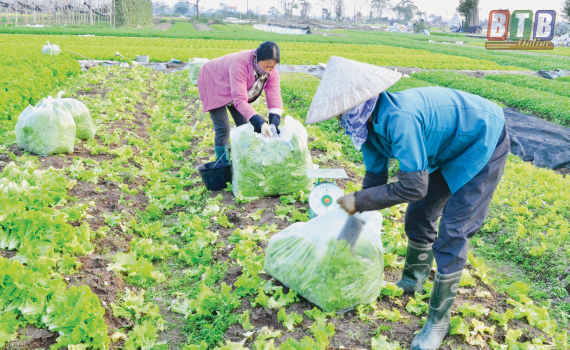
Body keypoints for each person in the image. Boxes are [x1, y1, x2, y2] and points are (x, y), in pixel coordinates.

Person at [305, 57, 510, 350]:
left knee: (453, 230)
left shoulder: (398, 119)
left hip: (482, 137)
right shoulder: (366, 127)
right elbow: (373, 183)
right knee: (419, 215)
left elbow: (413, 186)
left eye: (342, 112)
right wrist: (344, 243)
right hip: (446, 145)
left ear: (358, 102)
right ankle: (413, 280)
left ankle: (439, 321)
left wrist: (356, 200)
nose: (340, 119)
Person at [197, 41, 283, 161]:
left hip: (233, 85)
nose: (268, 70)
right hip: (213, 80)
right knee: (223, 128)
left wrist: (274, 124)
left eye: (272, 67)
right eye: (265, 66)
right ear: (256, 58)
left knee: (245, 126)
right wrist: (260, 122)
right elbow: (240, 100)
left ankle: (245, 160)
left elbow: (274, 98)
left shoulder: (272, 73)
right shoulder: (240, 64)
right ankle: (222, 163)